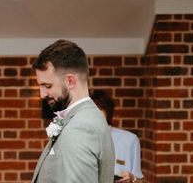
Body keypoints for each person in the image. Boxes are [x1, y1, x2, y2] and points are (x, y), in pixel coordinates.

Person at [31, 39, 115, 183]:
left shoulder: (80, 128)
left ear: (70, 81)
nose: (42, 94)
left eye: (47, 86)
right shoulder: (85, 118)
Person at [91, 90, 143, 183]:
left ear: (107, 111)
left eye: (98, 109)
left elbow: (139, 180)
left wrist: (132, 179)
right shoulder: (77, 139)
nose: (93, 115)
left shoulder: (130, 140)